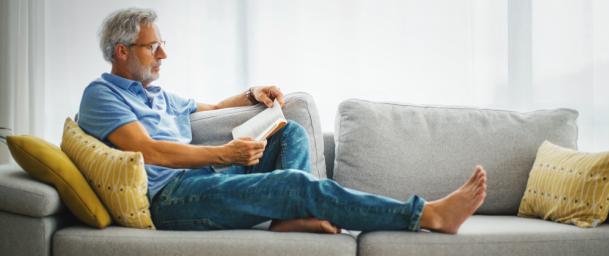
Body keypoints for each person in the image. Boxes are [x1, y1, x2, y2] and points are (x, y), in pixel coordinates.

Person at [78, 8, 488, 234]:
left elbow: (207, 108)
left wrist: (252, 94)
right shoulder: (102, 96)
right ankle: (426, 215)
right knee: (294, 183)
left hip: (207, 179)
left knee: (288, 130)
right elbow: (148, 151)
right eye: (154, 47)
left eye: (162, 45)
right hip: (171, 199)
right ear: (121, 52)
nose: (163, 55)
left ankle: (290, 216)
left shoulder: (156, 93)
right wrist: (223, 153)